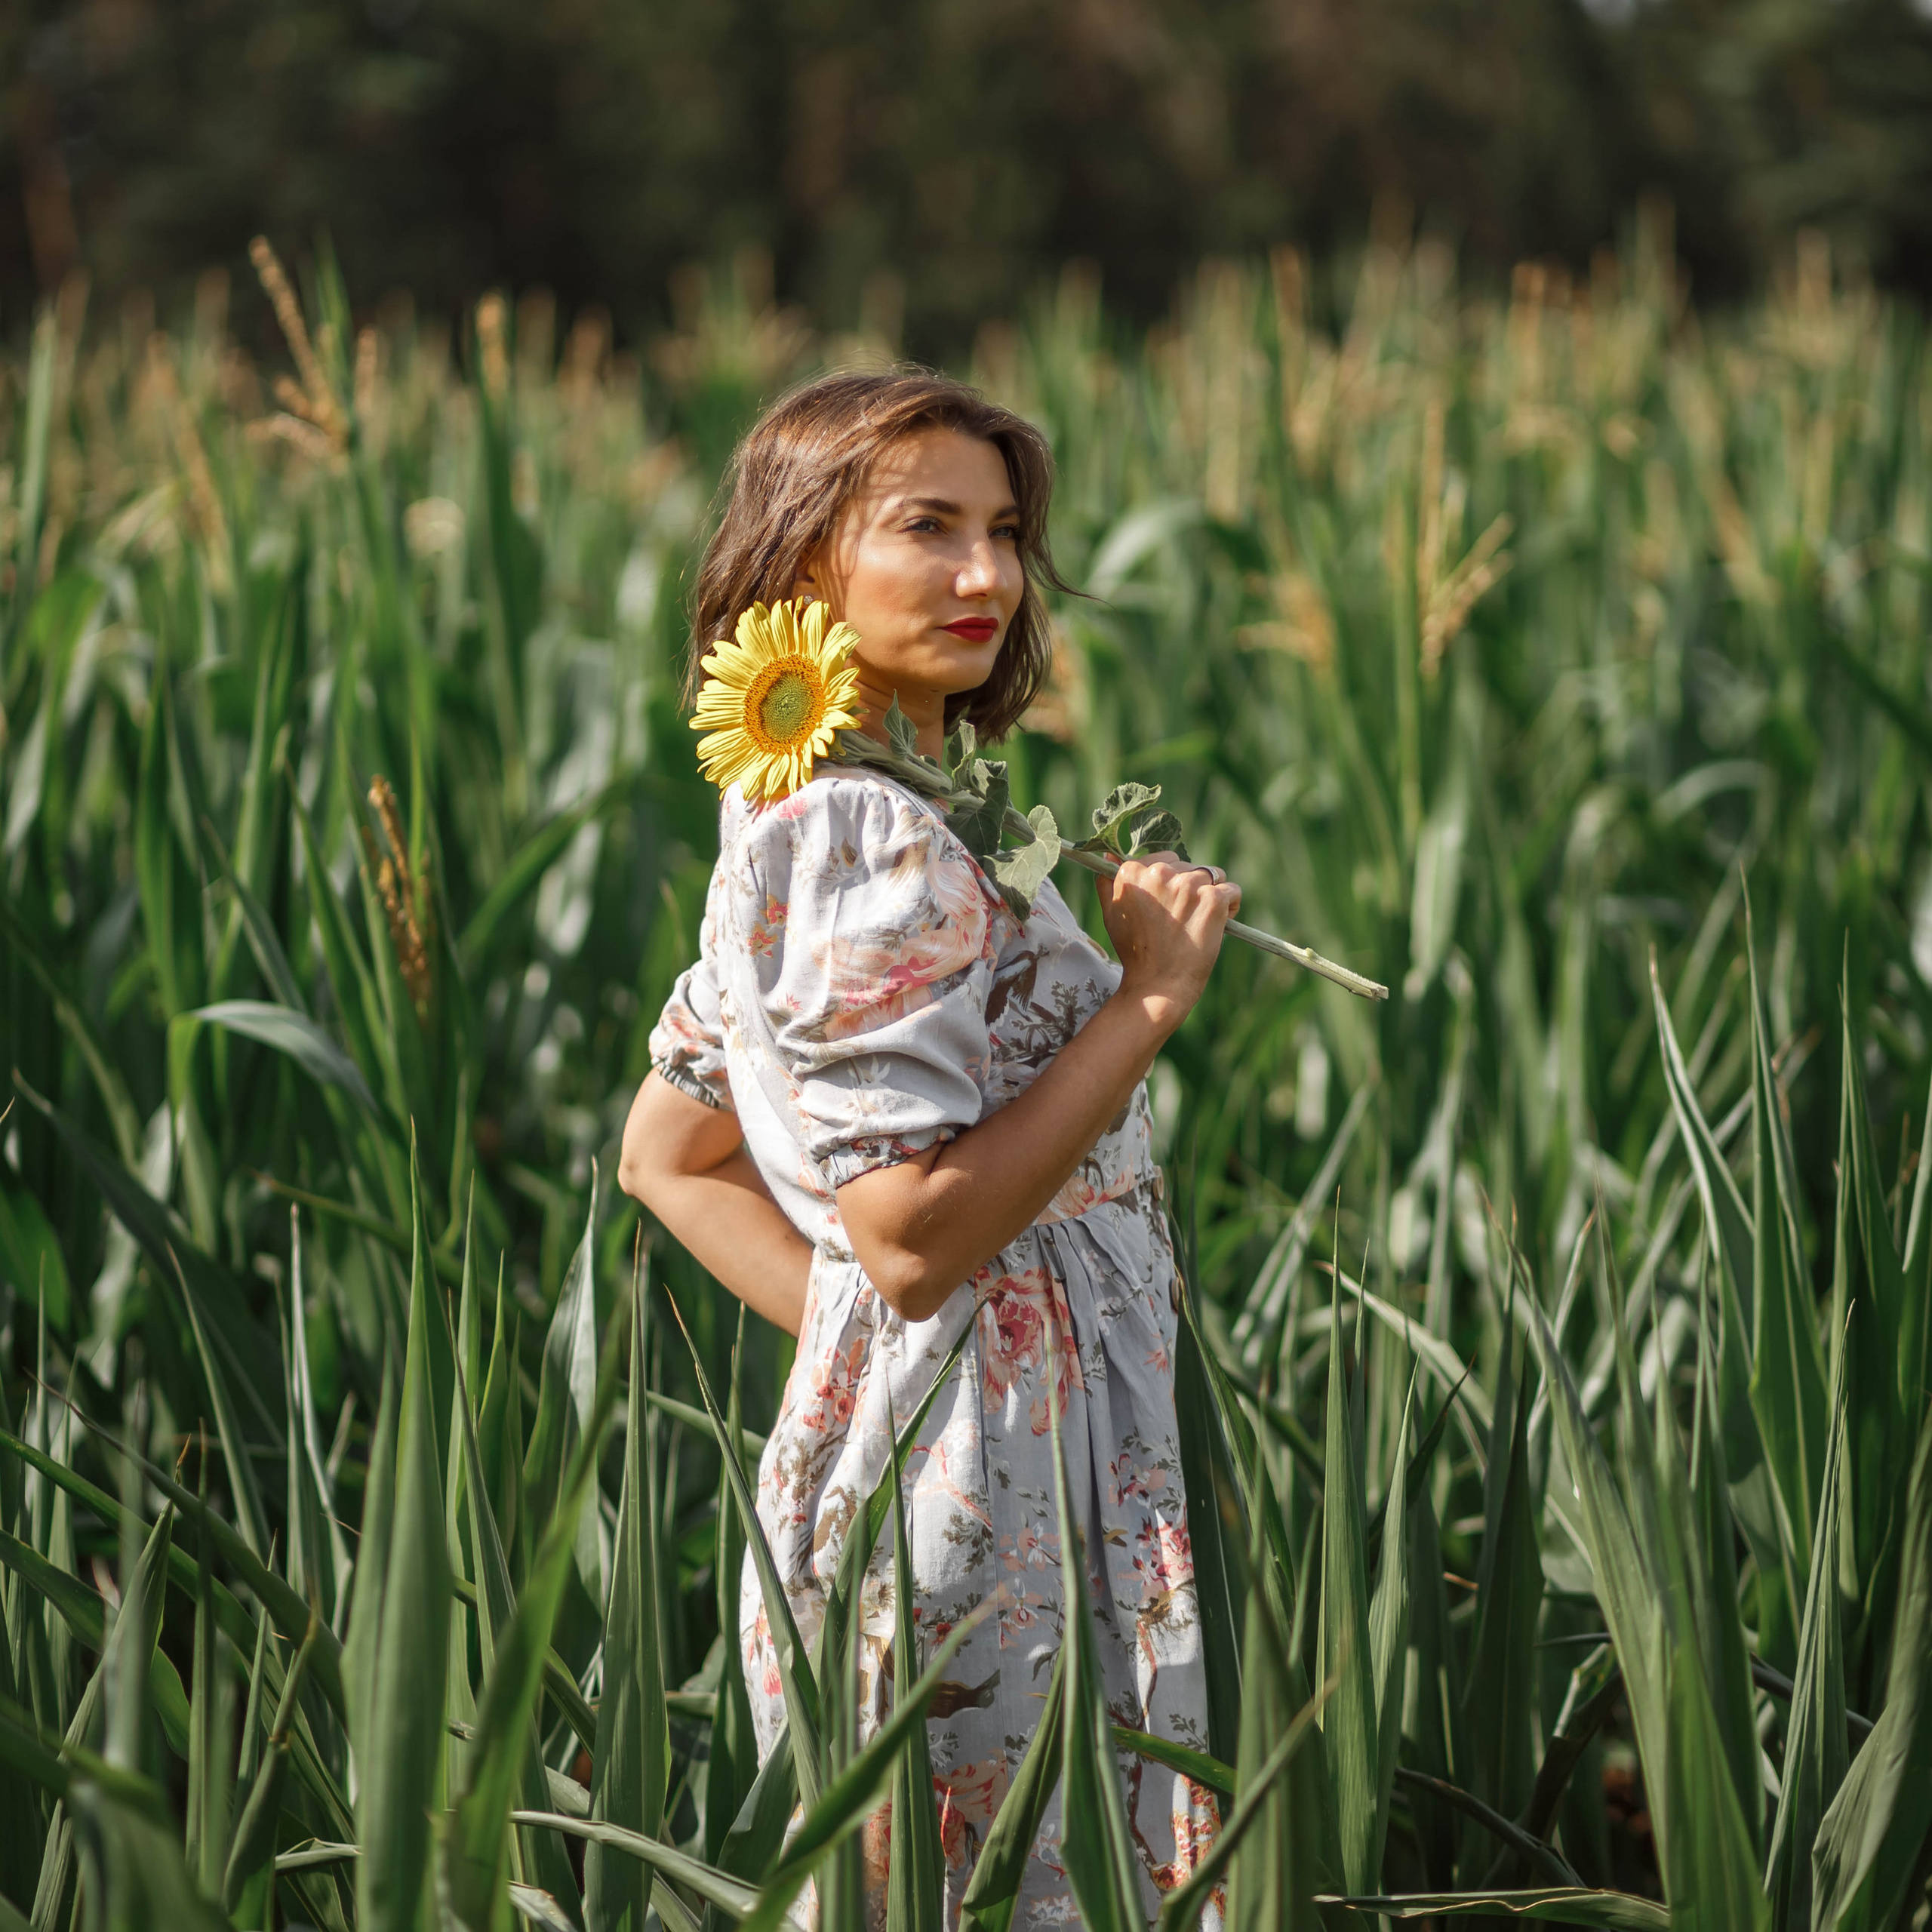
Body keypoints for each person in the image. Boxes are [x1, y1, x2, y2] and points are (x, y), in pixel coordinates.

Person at [619, 368, 1238, 1927]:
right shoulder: (861, 834)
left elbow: (667, 1151)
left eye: (1006, 531)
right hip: (984, 1503)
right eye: (928, 527)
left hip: (965, 1453)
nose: (987, 575)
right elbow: (903, 1235)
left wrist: (883, 1362)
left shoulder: (826, 810)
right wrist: (1149, 997)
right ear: (797, 558)